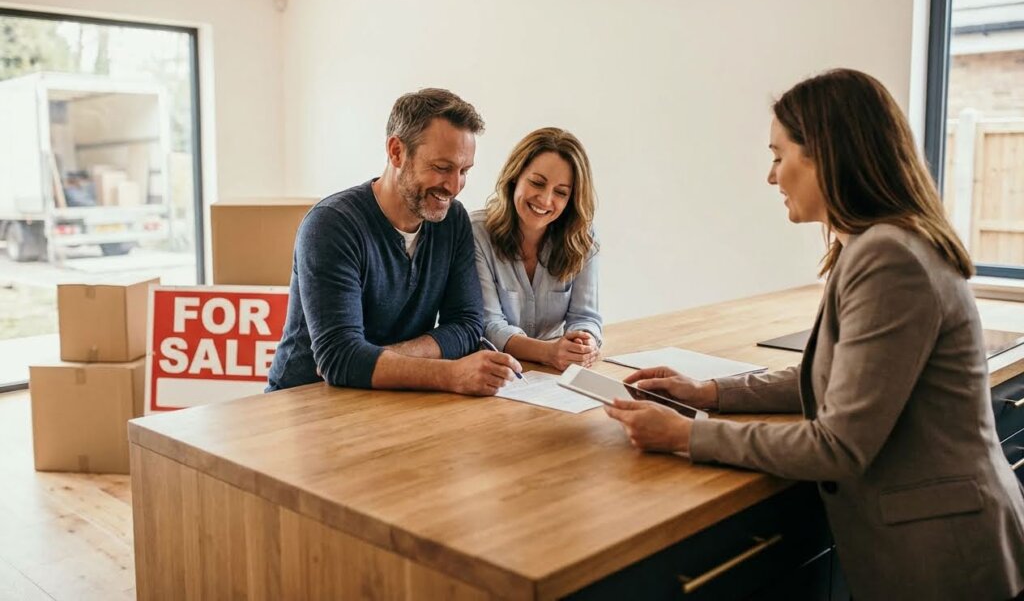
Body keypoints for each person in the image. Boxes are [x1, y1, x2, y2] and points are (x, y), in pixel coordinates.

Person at [604, 69, 1024, 599]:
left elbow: (839, 445)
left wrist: (685, 435)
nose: (771, 176)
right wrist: (709, 393)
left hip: (942, 558)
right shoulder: (878, 243)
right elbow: (834, 378)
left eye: (779, 155)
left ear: (824, 153)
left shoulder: (887, 257)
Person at [266, 87, 521, 394]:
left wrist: (375, 359)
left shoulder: (452, 220)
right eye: (442, 168)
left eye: (464, 171)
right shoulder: (331, 225)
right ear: (396, 151)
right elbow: (338, 359)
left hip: (395, 396)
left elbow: (467, 326)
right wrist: (451, 374)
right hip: (306, 402)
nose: (454, 186)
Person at [471, 127, 601, 371]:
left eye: (560, 192)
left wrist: (584, 343)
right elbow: (489, 324)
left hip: (552, 376)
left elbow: (585, 317)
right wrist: (550, 352)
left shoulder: (582, 236)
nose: (545, 199)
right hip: (498, 372)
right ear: (515, 177)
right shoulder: (477, 233)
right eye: (537, 183)